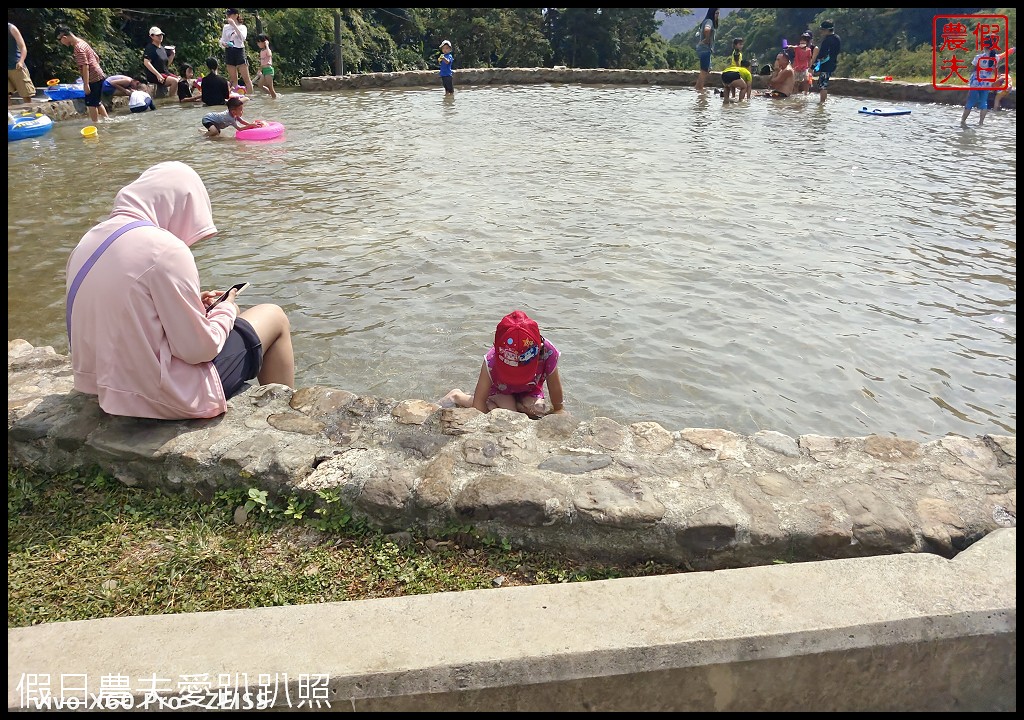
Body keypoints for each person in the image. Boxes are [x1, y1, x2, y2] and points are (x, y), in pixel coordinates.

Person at [65, 161, 295, 420]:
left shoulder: (89, 241)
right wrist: (227, 310)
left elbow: (122, 308)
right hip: (160, 396)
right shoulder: (165, 249)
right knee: (274, 315)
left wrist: (192, 303)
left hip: (100, 385)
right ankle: (283, 417)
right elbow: (198, 351)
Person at [441, 310, 566, 418]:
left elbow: (554, 387)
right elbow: (479, 403)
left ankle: (515, 405)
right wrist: (488, 414)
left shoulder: (547, 352)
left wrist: (558, 409)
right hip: (501, 390)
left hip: (529, 389)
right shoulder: (491, 360)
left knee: (539, 409)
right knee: (508, 413)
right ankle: (457, 396)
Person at [56, 25, 108, 122]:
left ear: (64, 38)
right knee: (97, 102)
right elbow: (96, 57)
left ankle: (96, 125)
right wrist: (96, 68)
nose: (61, 43)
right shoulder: (82, 42)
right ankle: (107, 120)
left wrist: (86, 84)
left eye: (60, 41)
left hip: (92, 78)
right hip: (99, 74)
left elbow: (85, 66)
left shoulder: (78, 48)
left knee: (91, 104)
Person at [961, 46, 1014, 128]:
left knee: (970, 102)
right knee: (983, 103)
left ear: (985, 48)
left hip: (975, 83)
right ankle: (981, 123)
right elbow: (1005, 53)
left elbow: (974, 69)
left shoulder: (978, 57)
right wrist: (1014, 49)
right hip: (986, 83)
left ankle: (963, 121)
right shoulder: (996, 58)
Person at [220, 9, 254, 96]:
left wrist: (234, 25)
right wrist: (224, 44)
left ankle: (251, 96)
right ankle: (235, 97)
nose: (228, 16)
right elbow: (222, 40)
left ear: (236, 15)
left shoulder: (242, 27)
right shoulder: (225, 27)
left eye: (230, 14)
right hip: (229, 50)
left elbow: (243, 38)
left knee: (246, 78)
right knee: (233, 78)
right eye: (227, 15)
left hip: (239, 50)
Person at [142, 27, 179, 100]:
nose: (160, 37)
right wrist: (157, 74)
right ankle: (171, 99)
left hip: (164, 73)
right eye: (158, 35)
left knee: (179, 79)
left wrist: (172, 55)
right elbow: (146, 62)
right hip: (154, 75)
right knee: (174, 81)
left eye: (161, 35)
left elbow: (166, 65)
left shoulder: (162, 48)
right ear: (152, 36)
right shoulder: (150, 48)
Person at [810, 20, 841, 104]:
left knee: (822, 85)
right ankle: (823, 101)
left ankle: (822, 103)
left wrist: (813, 67)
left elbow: (822, 56)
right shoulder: (837, 38)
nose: (821, 31)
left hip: (826, 65)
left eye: (822, 30)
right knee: (824, 83)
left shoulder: (827, 40)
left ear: (827, 30)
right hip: (832, 64)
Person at [8, 22, 36, 106]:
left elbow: (23, 47)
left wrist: (21, 61)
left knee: (26, 94)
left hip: (16, 66)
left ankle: (30, 114)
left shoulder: (11, 28)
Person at [694, 8, 719, 92]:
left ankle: (699, 87)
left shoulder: (707, 21)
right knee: (704, 71)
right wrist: (707, 39)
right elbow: (707, 29)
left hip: (704, 49)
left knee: (706, 69)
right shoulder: (709, 21)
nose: (717, 16)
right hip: (705, 49)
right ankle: (699, 88)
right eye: (716, 13)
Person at [255, 34, 277, 99]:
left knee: (270, 87)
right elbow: (262, 63)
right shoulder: (261, 51)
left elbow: (269, 54)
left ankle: (274, 98)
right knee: (260, 85)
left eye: (259, 42)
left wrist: (267, 45)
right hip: (264, 70)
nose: (258, 44)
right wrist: (259, 70)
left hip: (269, 70)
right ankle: (271, 95)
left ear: (264, 42)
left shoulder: (267, 50)